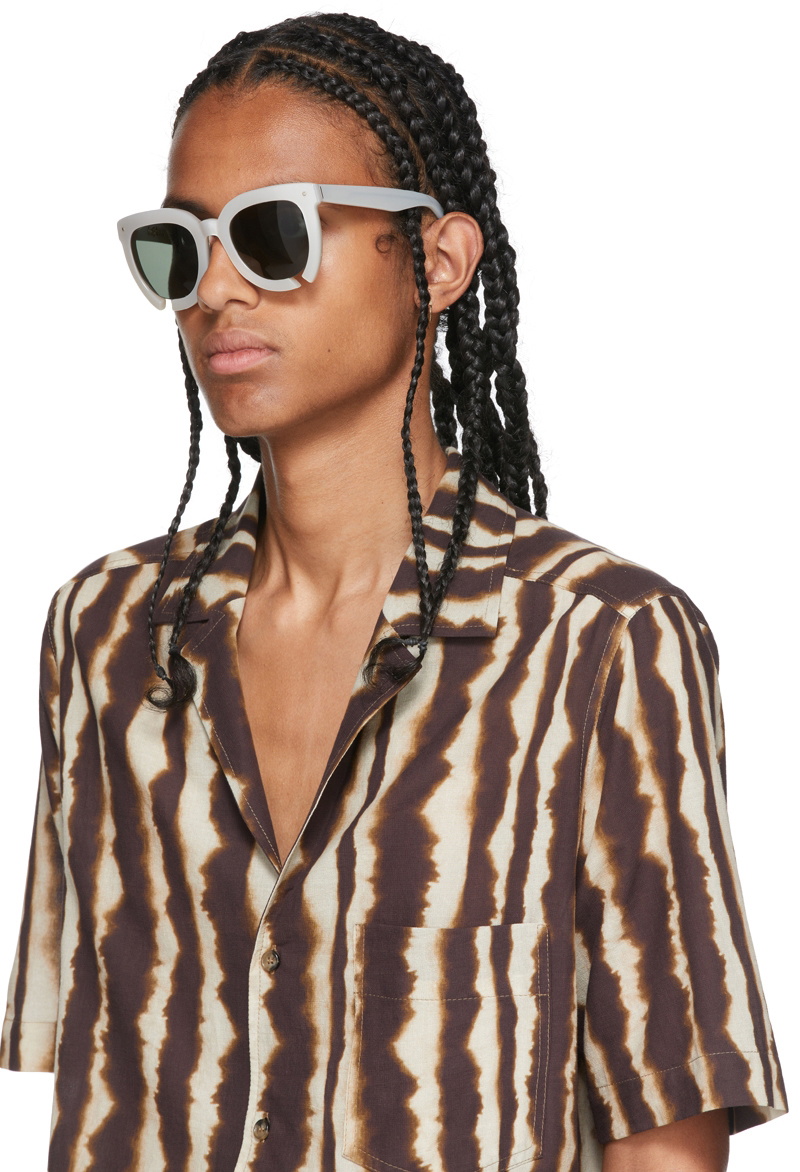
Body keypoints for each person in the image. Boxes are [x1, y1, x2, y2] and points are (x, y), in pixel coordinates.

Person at [0, 12, 788, 1172]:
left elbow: (663, 1122)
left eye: (273, 233)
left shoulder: (599, 637)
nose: (214, 289)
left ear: (438, 259)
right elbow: (96, 1067)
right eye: (178, 246)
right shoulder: (109, 632)